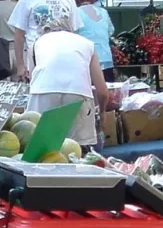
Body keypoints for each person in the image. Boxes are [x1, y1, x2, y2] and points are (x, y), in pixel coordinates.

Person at [28, 21, 110, 149]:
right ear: (72, 30)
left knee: (42, 147)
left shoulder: (37, 43)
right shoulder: (87, 44)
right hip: (78, 92)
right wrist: (103, 112)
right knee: (77, 149)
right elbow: (102, 91)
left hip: (42, 91)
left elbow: (32, 80)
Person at [8, 0, 78, 80]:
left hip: (63, 60)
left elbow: (74, 32)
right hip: (36, 60)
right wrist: (20, 65)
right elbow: (19, 33)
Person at [71, 0, 116, 80]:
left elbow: (72, 35)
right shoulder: (104, 12)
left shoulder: (76, 13)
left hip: (86, 60)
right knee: (108, 91)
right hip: (106, 59)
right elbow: (111, 31)